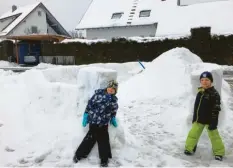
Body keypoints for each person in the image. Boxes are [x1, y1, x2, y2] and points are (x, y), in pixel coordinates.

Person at [73, 80, 119, 167]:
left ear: (115, 91)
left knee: (104, 140)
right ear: (107, 87)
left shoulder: (114, 100)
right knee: (90, 138)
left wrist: (113, 117)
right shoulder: (98, 94)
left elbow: (114, 110)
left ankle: (104, 160)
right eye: (110, 88)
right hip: (94, 121)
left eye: (113, 89)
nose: (111, 90)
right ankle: (79, 155)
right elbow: (90, 104)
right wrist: (86, 115)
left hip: (104, 123)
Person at [184, 71, 225, 161]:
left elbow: (216, 110)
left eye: (207, 80)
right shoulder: (200, 92)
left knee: (215, 137)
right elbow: (196, 107)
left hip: (210, 121)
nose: (204, 82)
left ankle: (219, 152)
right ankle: (189, 148)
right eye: (202, 80)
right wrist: (195, 118)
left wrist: (214, 122)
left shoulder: (214, 94)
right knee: (193, 134)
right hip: (199, 120)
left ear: (211, 81)